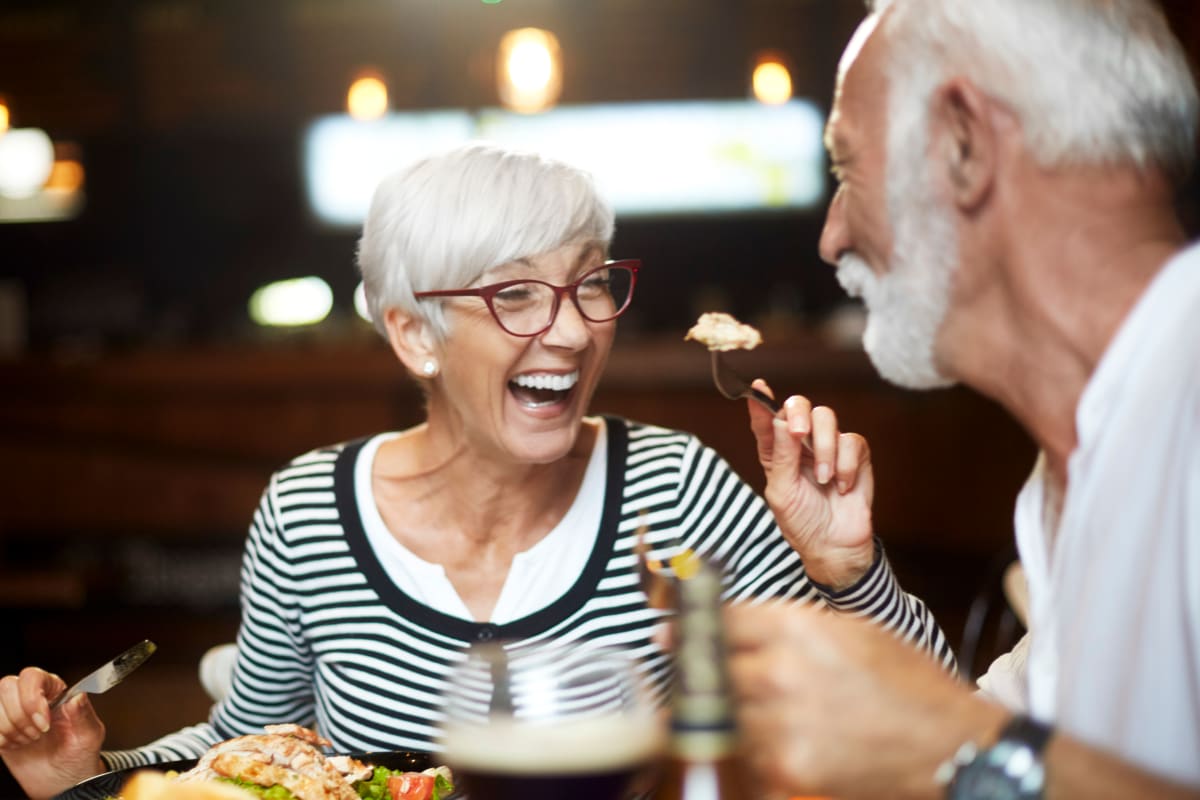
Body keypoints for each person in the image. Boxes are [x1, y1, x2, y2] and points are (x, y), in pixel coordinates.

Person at [0, 142, 955, 800]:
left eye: (590, 283)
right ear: (416, 332)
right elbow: (239, 755)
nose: (576, 329)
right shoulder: (307, 514)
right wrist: (85, 772)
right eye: (516, 295)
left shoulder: (678, 491)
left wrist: (850, 573)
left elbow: (943, 731)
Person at [726, 0, 1200, 798]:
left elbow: (967, 749)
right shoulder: (1073, 469)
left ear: (964, 145)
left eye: (847, 171)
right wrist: (849, 579)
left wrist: (951, 741)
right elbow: (985, 755)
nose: (831, 236)